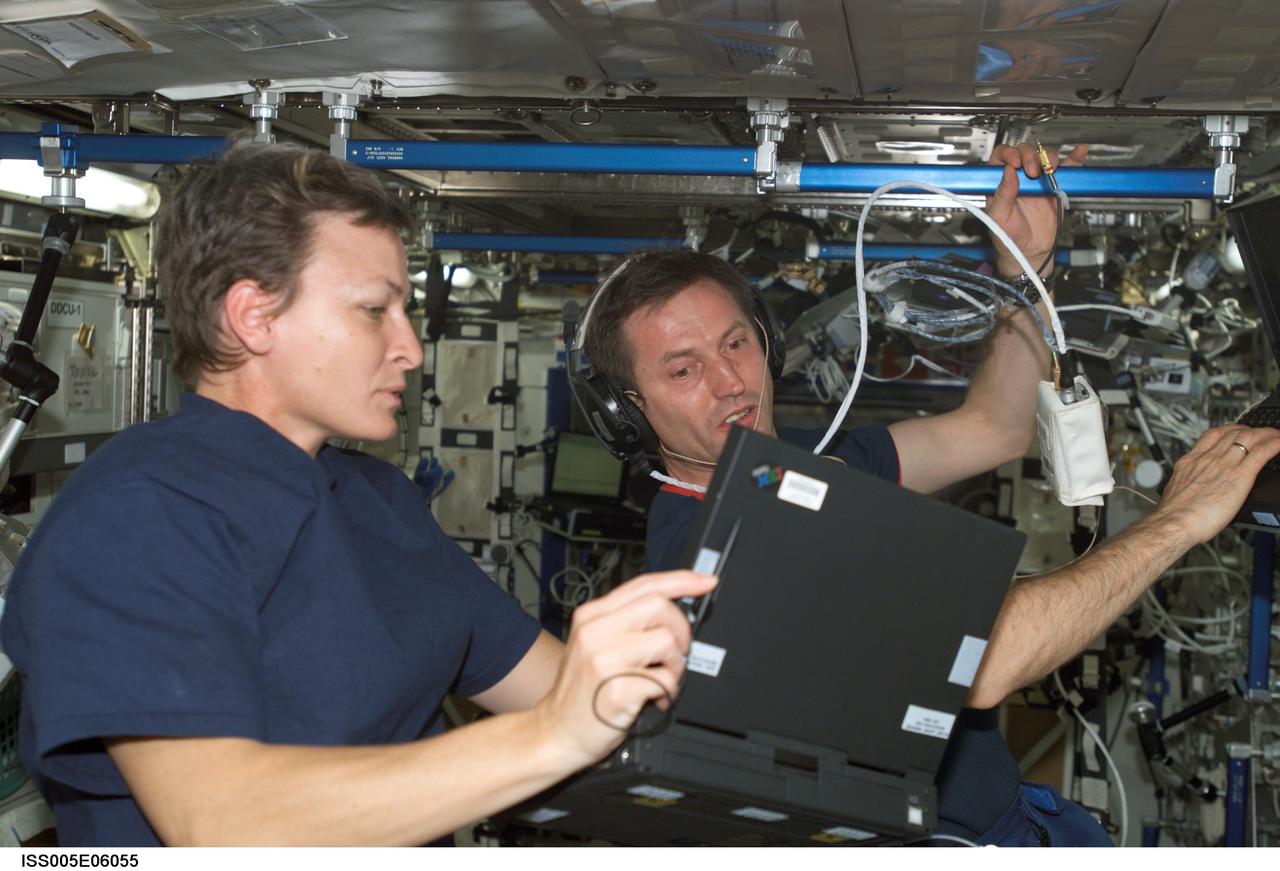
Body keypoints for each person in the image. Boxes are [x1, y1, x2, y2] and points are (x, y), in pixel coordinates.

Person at [0, 141, 716, 846]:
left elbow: (574, 696)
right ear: (254, 316)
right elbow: (224, 823)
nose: (409, 346)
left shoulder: (376, 497)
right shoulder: (139, 512)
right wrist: (551, 733)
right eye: (376, 310)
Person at [579, 144, 1280, 845]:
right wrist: (1179, 520)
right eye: (683, 369)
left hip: (1004, 821)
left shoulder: (801, 465)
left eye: (736, 343)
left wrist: (1025, 274)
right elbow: (987, 661)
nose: (730, 381)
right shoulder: (705, 553)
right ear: (626, 413)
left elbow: (994, 428)